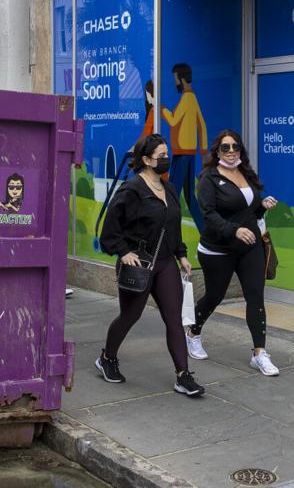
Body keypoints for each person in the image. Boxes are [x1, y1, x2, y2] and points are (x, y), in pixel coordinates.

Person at [97, 133, 205, 397]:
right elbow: (109, 230)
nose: (167, 159)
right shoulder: (131, 190)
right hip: (140, 264)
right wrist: (123, 252)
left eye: (167, 155)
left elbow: (173, 226)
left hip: (166, 263)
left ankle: (183, 375)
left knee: (174, 319)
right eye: (162, 156)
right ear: (146, 160)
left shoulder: (168, 189)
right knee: (130, 316)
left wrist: (181, 255)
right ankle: (107, 358)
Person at [188, 130, 280, 376]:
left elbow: (249, 212)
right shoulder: (209, 178)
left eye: (235, 147)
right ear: (217, 151)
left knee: (255, 296)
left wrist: (261, 207)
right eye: (226, 148)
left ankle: (259, 353)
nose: (231, 152)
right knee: (215, 296)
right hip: (218, 249)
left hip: (250, 246)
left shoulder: (246, 173)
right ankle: (193, 332)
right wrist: (234, 230)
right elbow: (209, 215)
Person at [162, 63, 207, 233]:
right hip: (189, 153)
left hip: (182, 154)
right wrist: (202, 151)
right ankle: (205, 234)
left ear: (181, 79)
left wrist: (160, 109)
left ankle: (167, 233)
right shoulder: (192, 98)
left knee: (172, 195)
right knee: (189, 197)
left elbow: (173, 120)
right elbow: (202, 125)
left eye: (175, 79)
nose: (175, 83)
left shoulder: (187, 98)